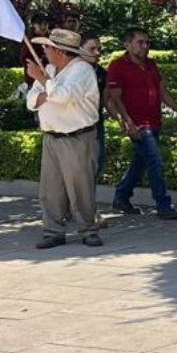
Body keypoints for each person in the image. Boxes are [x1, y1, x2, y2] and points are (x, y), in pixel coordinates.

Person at [24, 28, 102, 249]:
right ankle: (53, 231)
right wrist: (46, 87)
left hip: (76, 137)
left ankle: (88, 229)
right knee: (50, 189)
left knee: (81, 187)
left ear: (59, 51)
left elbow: (65, 97)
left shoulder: (82, 70)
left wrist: (44, 83)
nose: (44, 50)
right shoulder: (49, 69)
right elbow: (31, 101)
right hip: (51, 137)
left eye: (47, 47)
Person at [105, 28, 177, 219]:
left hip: (154, 121)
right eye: (140, 42)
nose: (145, 46)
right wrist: (127, 123)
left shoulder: (151, 64)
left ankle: (121, 198)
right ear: (128, 44)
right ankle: (163, 204)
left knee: (141, 163)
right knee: (155, 161)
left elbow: (161, 90)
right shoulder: (117, 66)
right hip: (138, 125)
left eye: (147, 42)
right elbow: (115, 98)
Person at [80, 38, 111, 229]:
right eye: (92, 48)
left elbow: (107, 99)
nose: (97, 52)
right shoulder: (71, 71)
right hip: (75, 126)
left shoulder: (100, 73)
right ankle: (86, 212)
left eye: (99, 49)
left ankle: (85, 208)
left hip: (95, 123)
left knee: (96, 163)